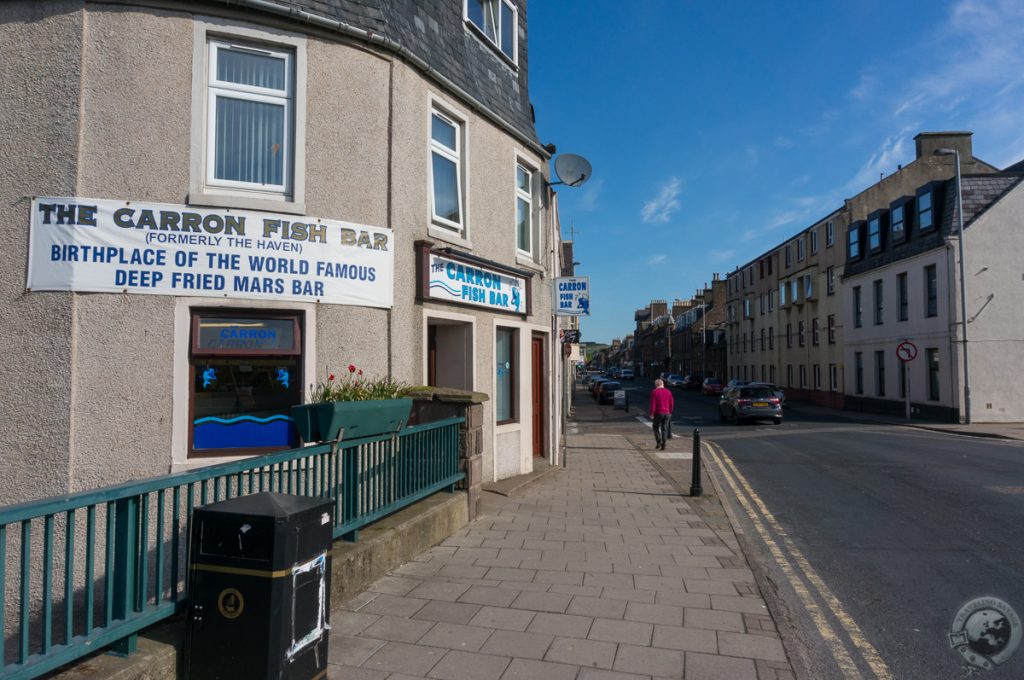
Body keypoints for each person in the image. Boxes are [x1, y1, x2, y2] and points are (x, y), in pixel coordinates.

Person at [649, 378, 674, 450]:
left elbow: (653, 404)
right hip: (667, 413)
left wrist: (652, 414)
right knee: (664, 429)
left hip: (658, 413)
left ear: (656, 385)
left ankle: (659, 442)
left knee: (655, 427)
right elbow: (671, 403)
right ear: (662, 384)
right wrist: (670, 412)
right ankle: (664, 443)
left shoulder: (654, 392)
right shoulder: (668, 392)